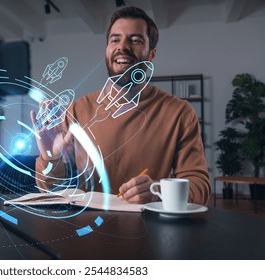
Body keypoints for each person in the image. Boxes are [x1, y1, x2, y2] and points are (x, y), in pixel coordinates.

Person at [30, 6, 210, 206]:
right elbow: (50, 189)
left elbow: (199, 186)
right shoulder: (75, 111)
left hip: (150, 230)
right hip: (87, 230)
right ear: (107, 49)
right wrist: (51, 159)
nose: (122, 47)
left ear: (152, 54)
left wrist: (157, 191)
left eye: (135, 40)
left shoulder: (179, 113)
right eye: (115, 39)